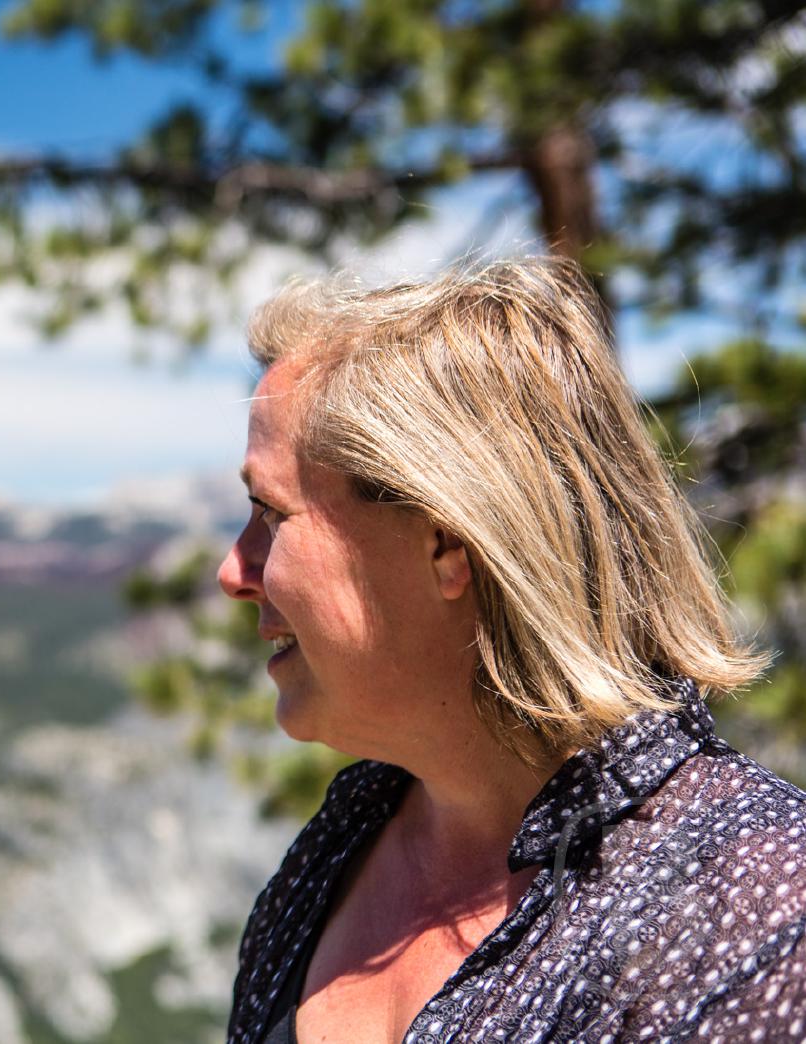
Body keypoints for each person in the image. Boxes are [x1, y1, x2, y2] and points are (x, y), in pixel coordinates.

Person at [219, 256, 806, 1043]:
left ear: (445, 542)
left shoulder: (755, 911)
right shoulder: (338, 847)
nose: (234, 571)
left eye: (271, 513)